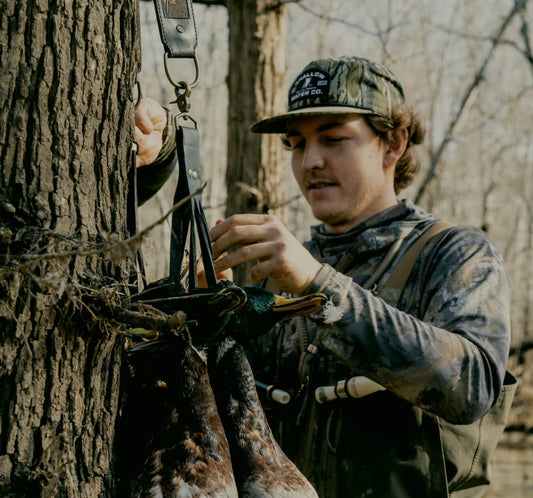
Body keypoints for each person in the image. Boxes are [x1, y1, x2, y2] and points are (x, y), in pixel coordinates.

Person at [137, 56, 515, 497]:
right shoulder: (274, 273)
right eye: (297, 144)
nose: (310, 161)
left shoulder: (456, 253)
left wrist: (320, 286)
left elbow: (472, 387)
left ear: (393, 143)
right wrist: (159, 159)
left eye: (333, 139)